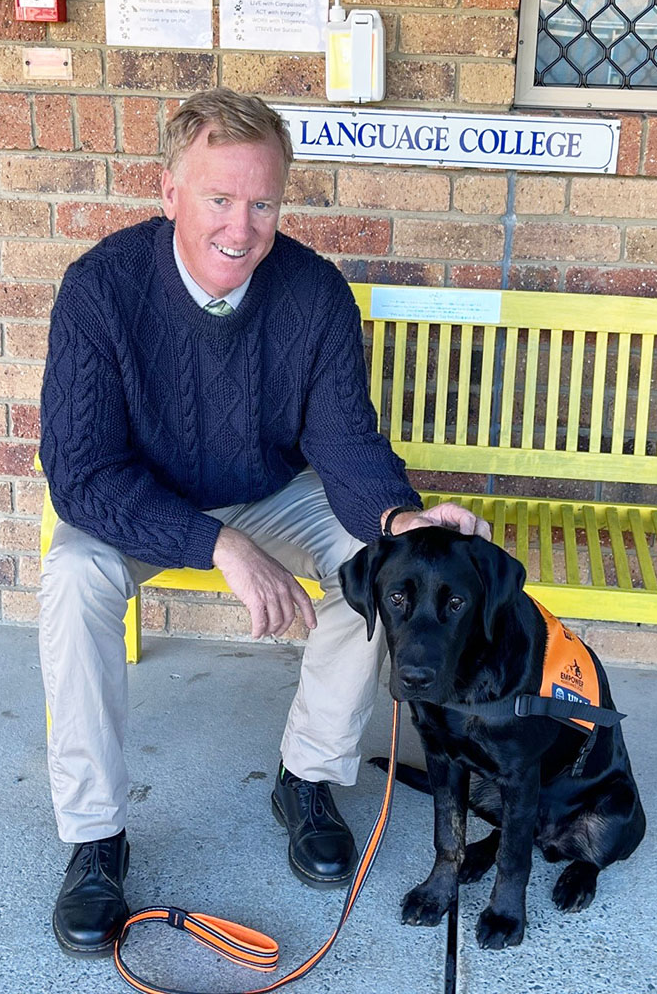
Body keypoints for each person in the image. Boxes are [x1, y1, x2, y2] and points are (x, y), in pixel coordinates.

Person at [38, 88, 490, 959]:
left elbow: (345, 444)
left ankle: (307, 778)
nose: (240, 229)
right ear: (168, 192)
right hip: (145, 497)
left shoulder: (312, 291)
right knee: (72, 576)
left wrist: (399, 515)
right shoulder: (100, 287)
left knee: (375, 561)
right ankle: (95, 838)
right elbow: (83, 476)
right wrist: (218, 545)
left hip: (269, 487)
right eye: (218, 198)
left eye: (262, 203)